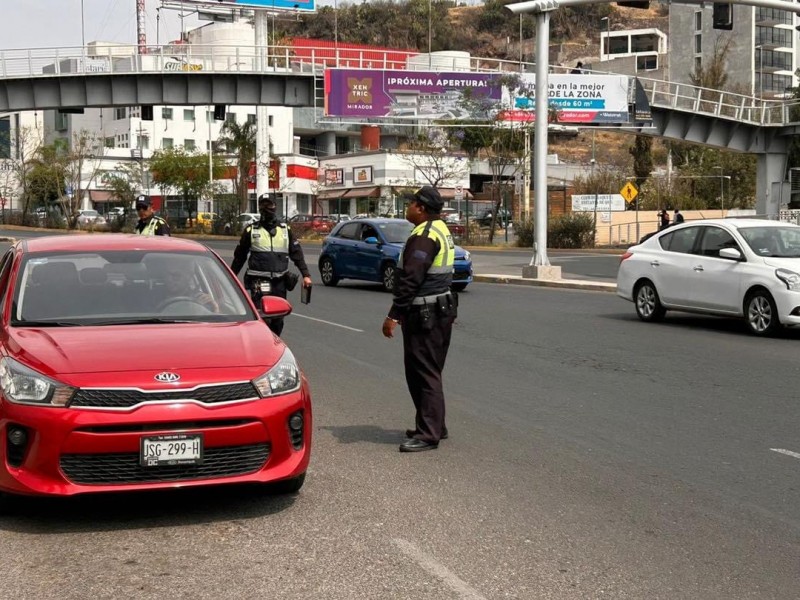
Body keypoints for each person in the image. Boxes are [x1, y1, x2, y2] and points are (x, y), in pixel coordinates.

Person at [382, 186, 458, 453]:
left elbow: (411, 280)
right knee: (431, 371)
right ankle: (435, 424)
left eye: (411, 203)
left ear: (421, 208)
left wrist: (394, 315)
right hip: (441, 310)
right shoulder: (440, 229)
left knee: (422, 372)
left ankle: (428, 435)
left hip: (424, 313)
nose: (408, 207)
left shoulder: (425, 236)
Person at [230, 193, 312, 335]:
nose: (266, 209)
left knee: (278, 320)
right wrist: (230, 277)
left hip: (279, 283)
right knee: (262, 318)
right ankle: (262, 344)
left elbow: (296, 253)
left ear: (275, 207)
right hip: (259, 282)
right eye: (263, 205)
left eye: (269, 205)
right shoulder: (251, 230)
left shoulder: (285, 230)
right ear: (259, 207)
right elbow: (239, 257)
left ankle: (274, 343)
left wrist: (306, 275)